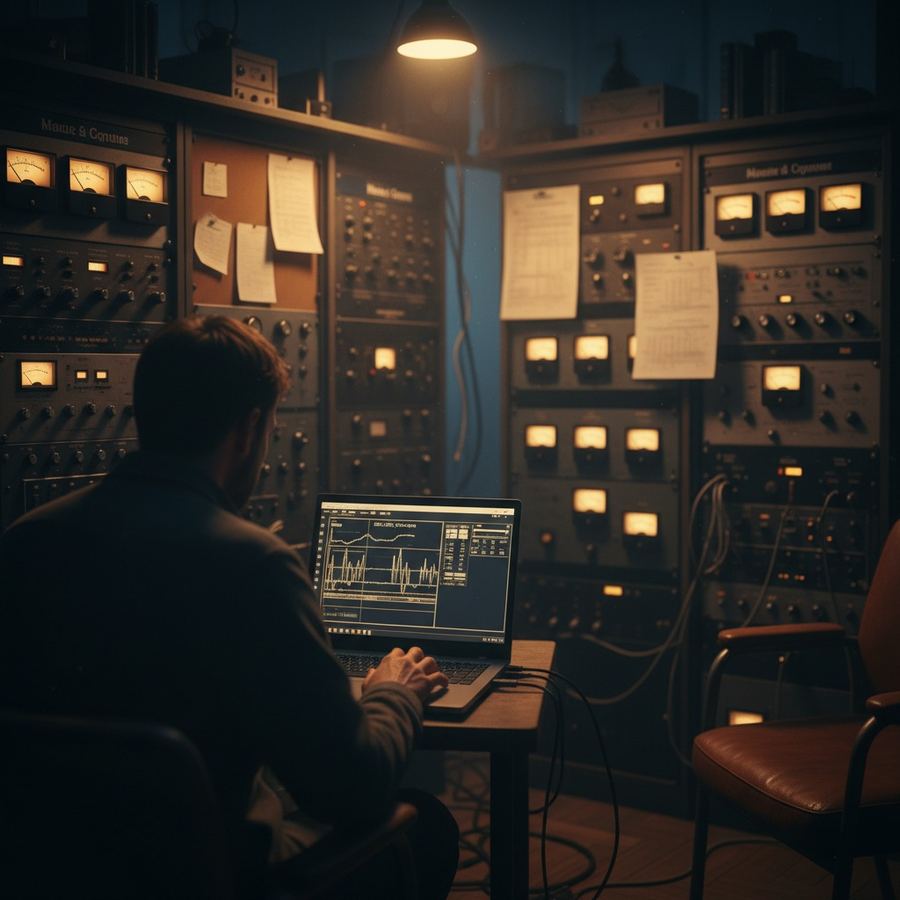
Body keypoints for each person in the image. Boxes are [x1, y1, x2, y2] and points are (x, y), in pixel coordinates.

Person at [0, 315, 458, 898]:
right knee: (427, 827)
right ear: (249, 430)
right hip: (210, 872)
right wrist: (396, 691)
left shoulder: (25, 539)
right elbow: (352, 787)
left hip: (54, 866)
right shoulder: (253, 563)